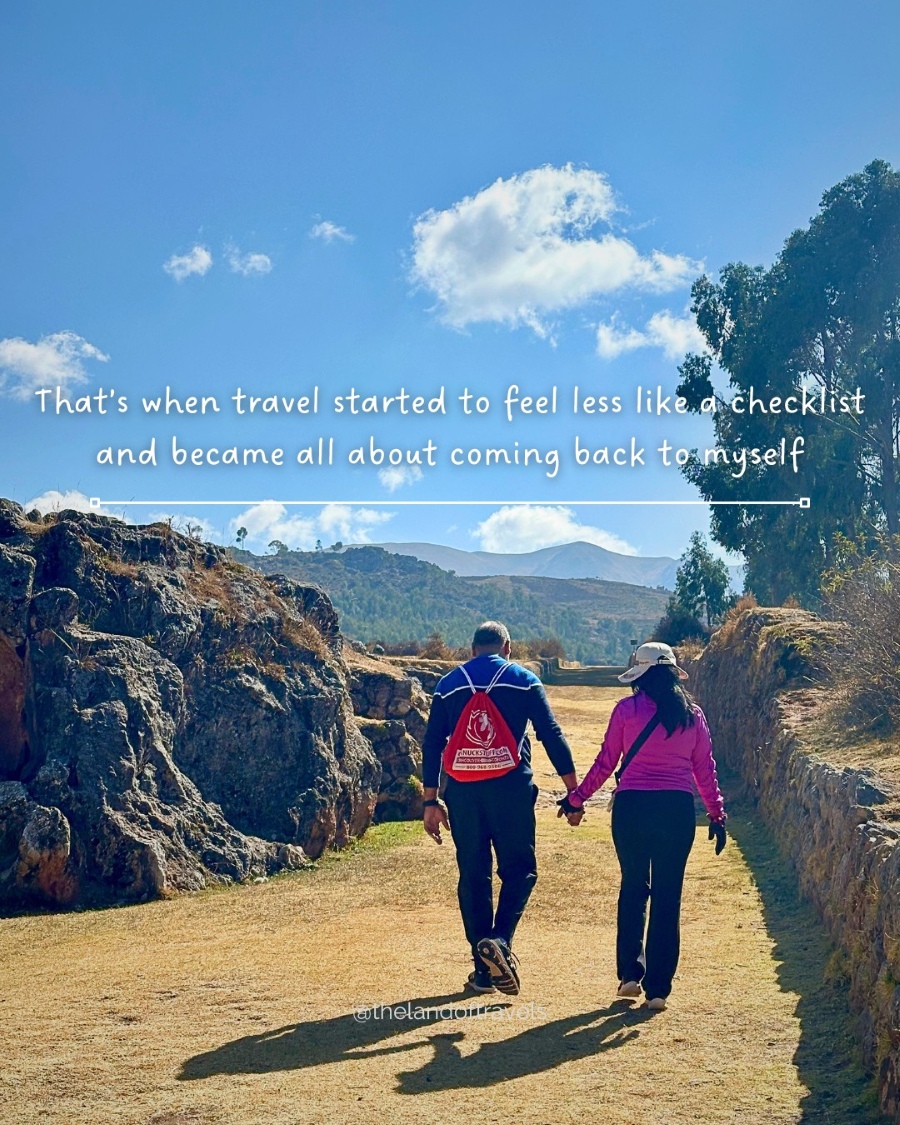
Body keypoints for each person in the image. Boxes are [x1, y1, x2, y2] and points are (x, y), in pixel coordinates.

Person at [558, 641, 726, 1011]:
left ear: (641, 674)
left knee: (634, 886)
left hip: (632, 808)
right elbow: (704, 770)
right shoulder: (692, 715)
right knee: (668, 897)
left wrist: (577, 798)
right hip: (676, 811)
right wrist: (716, 814)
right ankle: (659, 990)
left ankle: (630, 975)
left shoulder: (625, 711)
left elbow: (605, 763)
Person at [421, 621, 579, 996]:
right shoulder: (523, 680)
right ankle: (501, 941)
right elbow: (550, 734)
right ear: (507, 647)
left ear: (472, 648)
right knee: (520, 870)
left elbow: (431, 744)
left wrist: (430, 800)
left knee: (473, 875)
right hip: (511, 788)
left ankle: (483, 972)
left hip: (462, 792)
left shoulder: (449, 683)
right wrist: (573, 790)